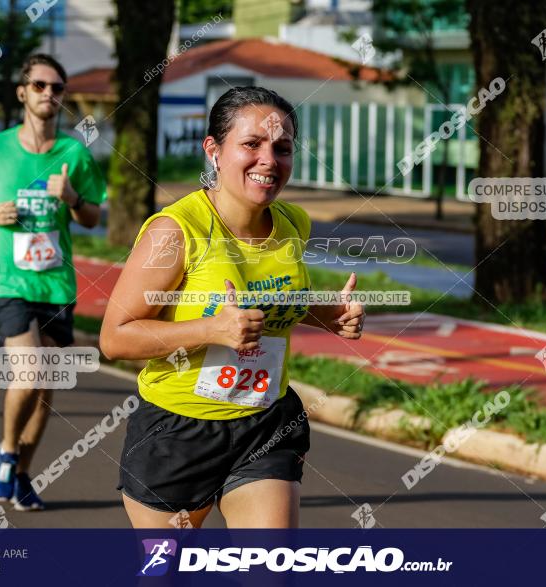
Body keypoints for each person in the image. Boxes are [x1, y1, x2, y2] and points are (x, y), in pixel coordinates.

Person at [100, 86, 365, 528]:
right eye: (251, 144)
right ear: (214, 151)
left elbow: (271, 303)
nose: (269, 160)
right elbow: (115, 338)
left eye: (282, 148)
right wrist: (210, 330)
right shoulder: (175, 231)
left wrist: (324, 314)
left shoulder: (292, 224)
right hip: (178, 431)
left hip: (265, 424)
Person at [0, 54, 106, 511]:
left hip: (56, 283)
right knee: (32, 370)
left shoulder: (74, 154)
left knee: (47, 386)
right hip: (7, 277)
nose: (49, 94)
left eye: (57, 88)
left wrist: (73, 197)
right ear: (22, 92)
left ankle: (22, 474)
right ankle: (6, 452)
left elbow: (92, 216)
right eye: (40, 85)